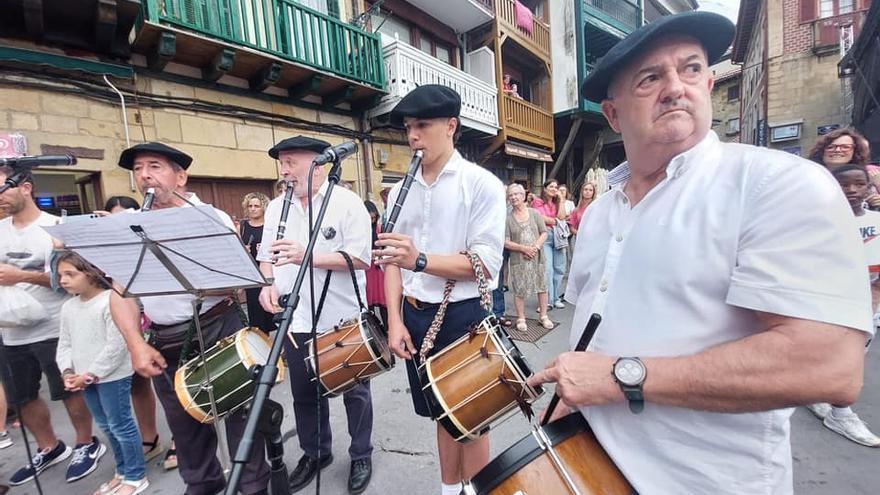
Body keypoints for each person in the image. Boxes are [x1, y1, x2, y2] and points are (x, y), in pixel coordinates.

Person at [526, 12, 873, 494]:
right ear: (613, 115)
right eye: (649, 79)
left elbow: (828, 365)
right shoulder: (601, 212)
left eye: (690, 69)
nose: (674, 87)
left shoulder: (777, 183)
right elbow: (599, 326)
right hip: (590, 471)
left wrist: (620, 376)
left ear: (709, 84)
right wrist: (578, 393)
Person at [108, 142, 270, 495]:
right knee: (184, 426)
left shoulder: (210, 217)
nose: (145, 176)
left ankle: (253, 484)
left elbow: (240, 281)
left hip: (218, 326)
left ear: (180, 176)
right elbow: (120, 293)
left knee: (242, 415)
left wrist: (196, 273)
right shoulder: (131, 225)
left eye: (155, 166)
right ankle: (203, 485)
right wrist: (135, 344)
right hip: (165, 338)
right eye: (138, 169)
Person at [374, 84, 506, 495]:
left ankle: (476, 490)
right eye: (408, 128)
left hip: (464, 315)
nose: (412, 136)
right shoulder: (400, 190)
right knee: (441, 415)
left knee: (473, 417)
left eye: (422, 126)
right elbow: (392, 261)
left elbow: (486, 265)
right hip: (415, 314)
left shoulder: (481, 184)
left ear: (451, 126)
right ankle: (450, 490)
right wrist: (395, 321)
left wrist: (420, 259)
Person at [257, 136, 374, 495]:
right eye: (282, 163)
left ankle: (361, 454)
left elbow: (360, 258)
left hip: (341, 317)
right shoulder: (276, 207)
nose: (284, 170)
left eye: (291, 162)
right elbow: (266, 257)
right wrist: (267, 283)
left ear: (318, 166)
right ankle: (316, 452)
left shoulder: (347, 203)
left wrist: (306, 254)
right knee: (305, 395)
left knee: (355, 394)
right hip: (296, 320)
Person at [0, 164, 103, 487]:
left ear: (25, 187)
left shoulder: (55, 228)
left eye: (3, 188)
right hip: (10, 329)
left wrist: (22, 276)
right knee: (21, 396)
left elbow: (72, 280)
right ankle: (49, 447)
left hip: (54, 325)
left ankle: (86, 443)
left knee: (69, 390)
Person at [55, 251, 149, 494]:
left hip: (112, 376)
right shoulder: (68, 307)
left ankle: (136, 475)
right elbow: (64, 343)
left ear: (91, 273)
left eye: (70, 274)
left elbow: (117, 345)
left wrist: (89, 374)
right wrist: (67, 371)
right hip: (84, 379)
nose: (63, 280)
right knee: (106, 426)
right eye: (60, 275)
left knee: (121, 425)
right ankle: (122, 471)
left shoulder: (111, 301)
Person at [803, 165, 880, 447]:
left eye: (859, 184)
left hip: (867, 302)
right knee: (835, 355)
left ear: (869, 188)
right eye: (844, 185)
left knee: (853, 356)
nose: (851, 190)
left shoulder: (876, 221)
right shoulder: (817, 221)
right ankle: (839, 411)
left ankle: (831, 402)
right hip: (828, 300)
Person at [504, 183, 552, 332]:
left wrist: (535, 247)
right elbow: (505, 241)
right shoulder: (508, 219)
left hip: (537, 257)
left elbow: (544, 232)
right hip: (519, 259)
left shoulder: (534, 213)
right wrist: (523, 248)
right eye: (510, 195)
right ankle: (521, 318)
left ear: (523, 195)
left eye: (516, 194)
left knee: (542, 286)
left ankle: (543, 316)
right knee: (519, 289)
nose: (513, 197)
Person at [239, 192, 275, 332]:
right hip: (252, 275)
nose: (253, 209)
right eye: (250, 206)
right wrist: (243, 250)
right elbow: (235, 249)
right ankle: (262, 338)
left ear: (263, 207)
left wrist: (267, 249)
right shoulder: (242, 226)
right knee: (256, 312)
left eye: (257, 206)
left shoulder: (270, 226)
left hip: (269, 273)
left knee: (272, 308)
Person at [531, 179, 566, 309]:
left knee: (559, 268)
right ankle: (547, 301)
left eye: (556, 187)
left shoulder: (557, 203)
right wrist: (556, 221)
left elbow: (561, 217)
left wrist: (561, 200)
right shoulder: (537, 202)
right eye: (551, 186)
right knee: (547, 269)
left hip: (558, 236)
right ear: (545, 188)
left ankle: (556, 297)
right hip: (544, 237)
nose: (554, 189)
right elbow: (539, 218)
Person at [364, 200, 388, 327]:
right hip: (367, 269)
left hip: (378, 268)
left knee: (384, 300)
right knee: (368, 301)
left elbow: (386, 247)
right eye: (369, 218)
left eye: (373, 218)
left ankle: (388, 328)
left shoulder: (379, 229)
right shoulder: (360, 230)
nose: (371, 221)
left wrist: (379, 252)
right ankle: (373, 329)